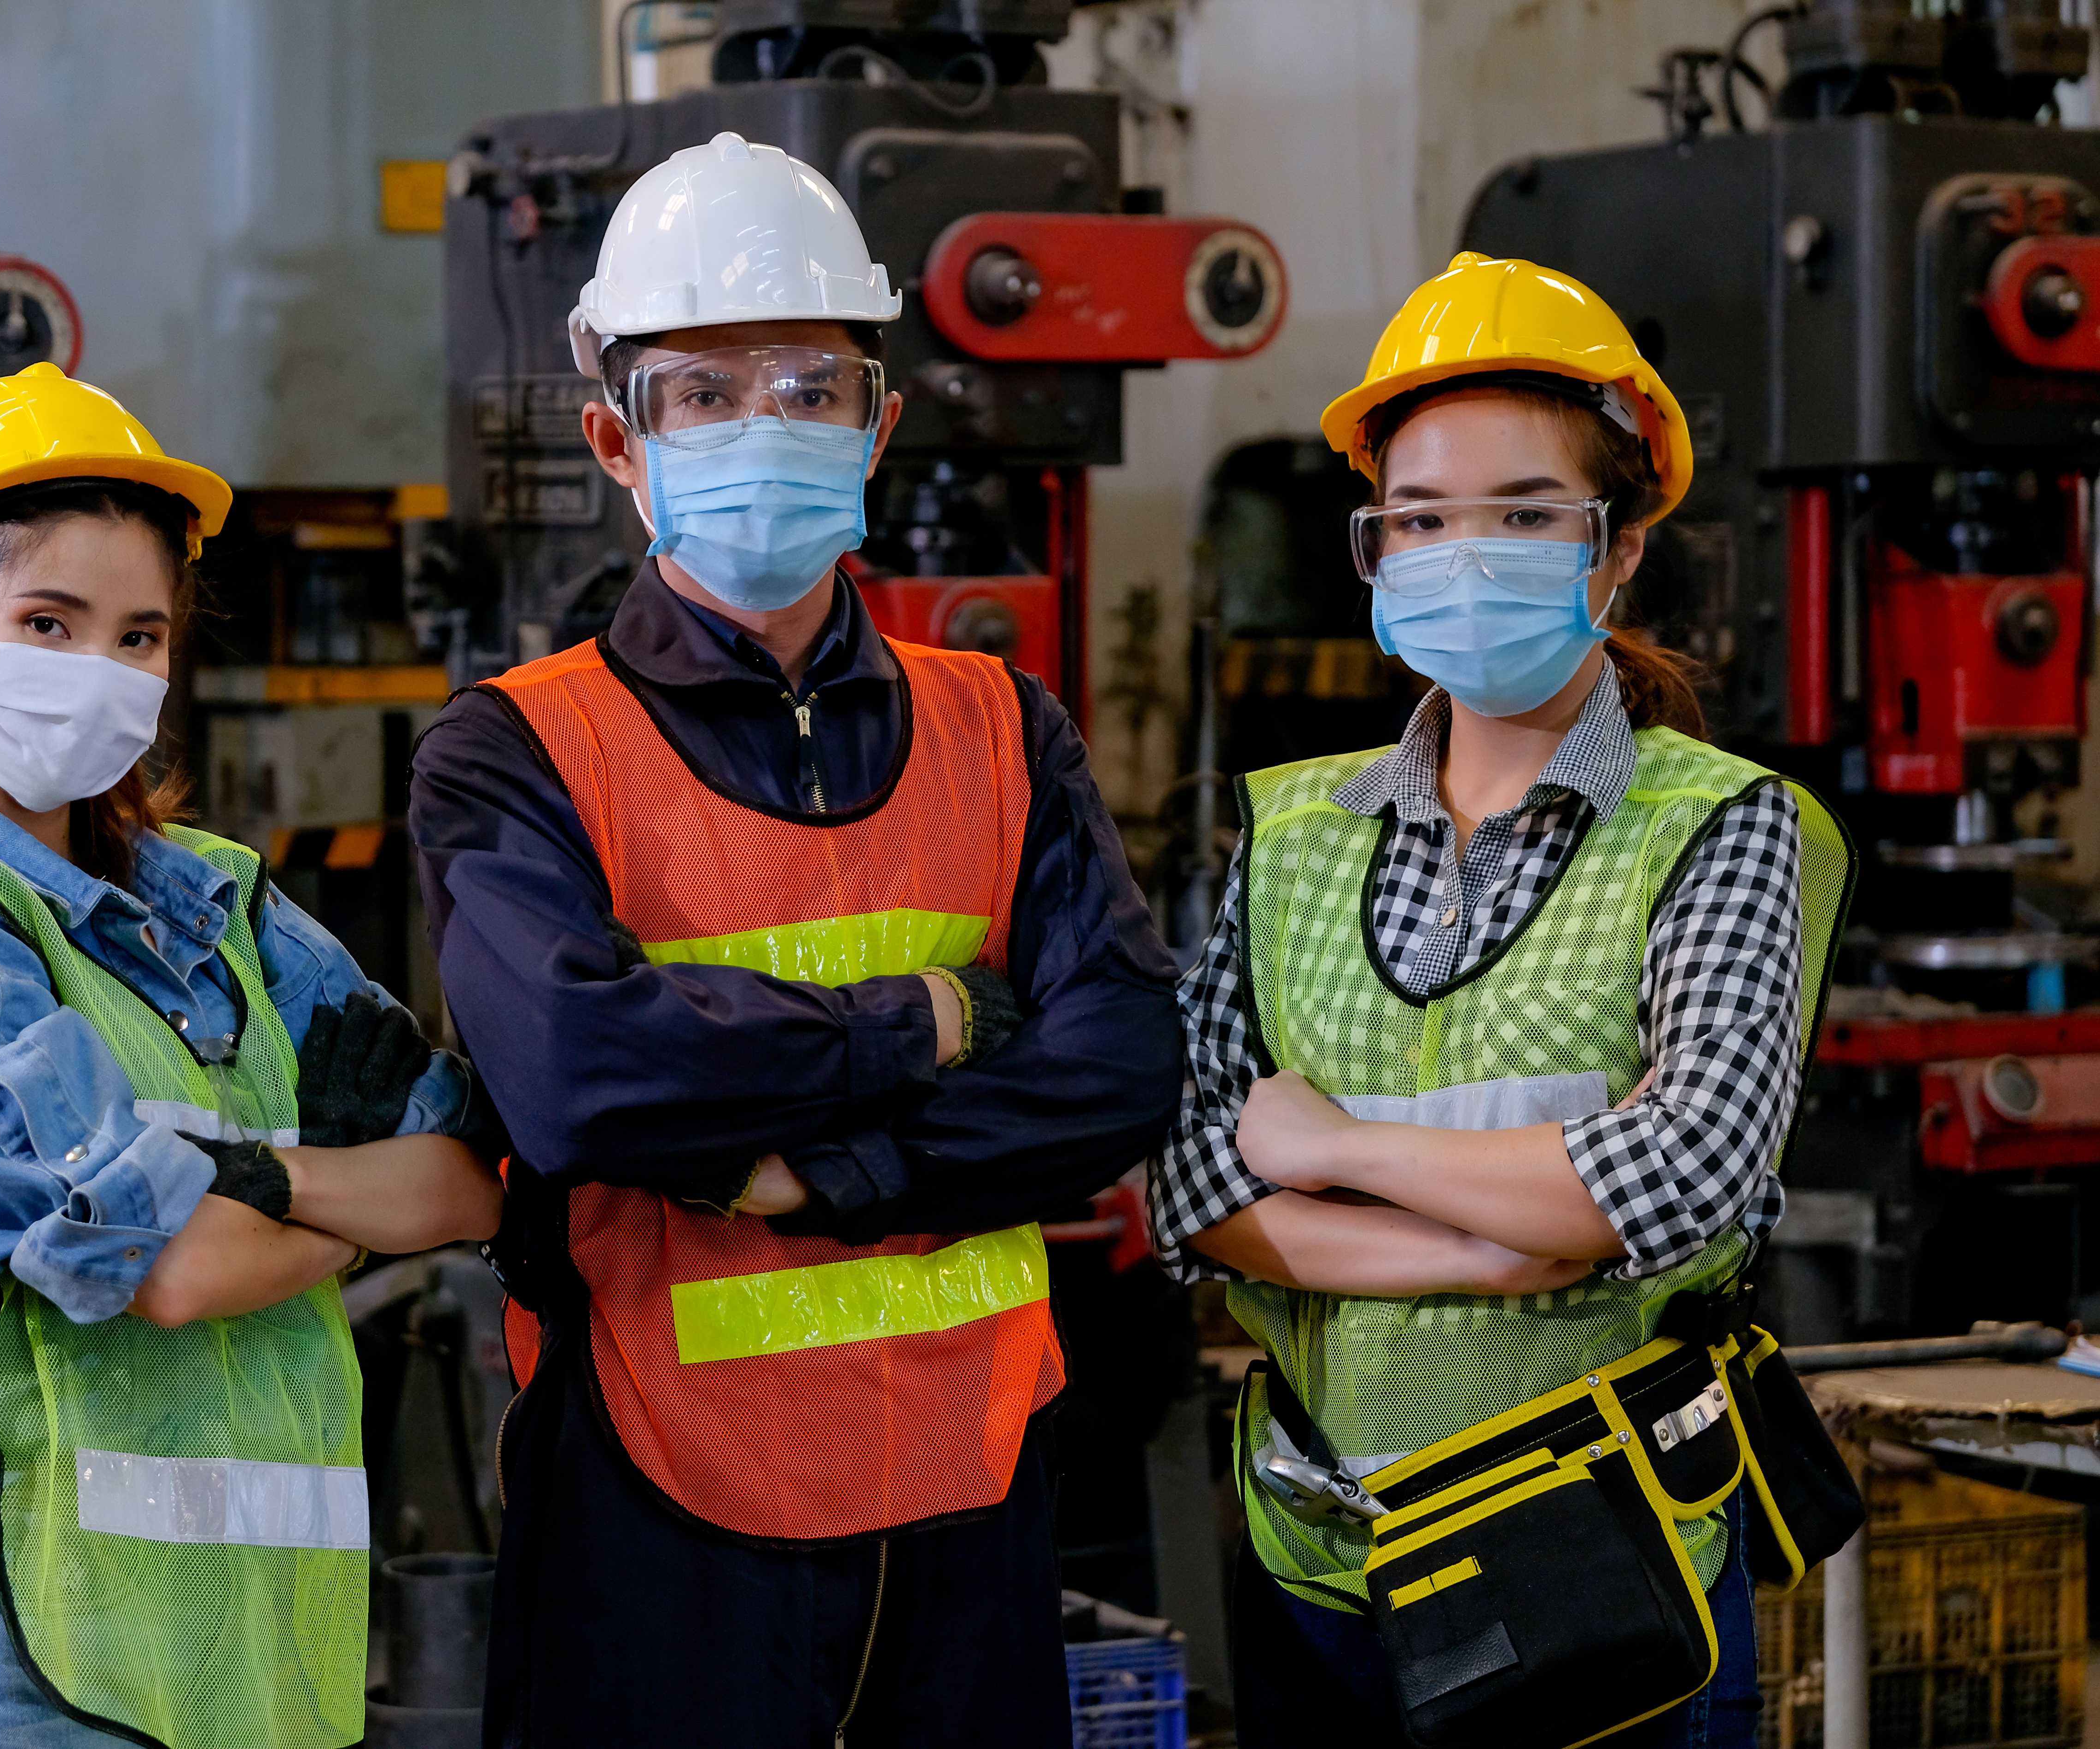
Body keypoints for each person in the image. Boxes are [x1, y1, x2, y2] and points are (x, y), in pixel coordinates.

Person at [409, 132, 1182, 1749]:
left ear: (879, 426)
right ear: (617, 440)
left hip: (967, 1489)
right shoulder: (515, 752)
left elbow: (1120, 1073)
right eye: (703, 392)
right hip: (654, 1498)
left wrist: (820, 1174)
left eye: (812, 387)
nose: (763, 425)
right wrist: (934, 1021)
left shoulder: (1001, 724)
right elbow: (583, 1082)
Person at [1150, 254, 1852, 1747]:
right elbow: (1188, 1173)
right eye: (1421, 519)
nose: (1465, 556)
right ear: (1374, 547)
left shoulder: (1721, 826)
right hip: (1316, 1560)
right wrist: (1505, 1247)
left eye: (1526, 517)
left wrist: (1333, 1149)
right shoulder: (1289, 830)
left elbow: (1677, 1172)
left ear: (1616, 553)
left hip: (1600, 1572)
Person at [0, 363, 502, 1749]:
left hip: (259, 1647)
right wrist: (339, 1193)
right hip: (19, 1649)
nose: (101, 673)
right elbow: (169, 1274)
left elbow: (473, 1179)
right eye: (48, 622)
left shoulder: (220, 908)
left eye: (139, 636)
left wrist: (246, 1182)